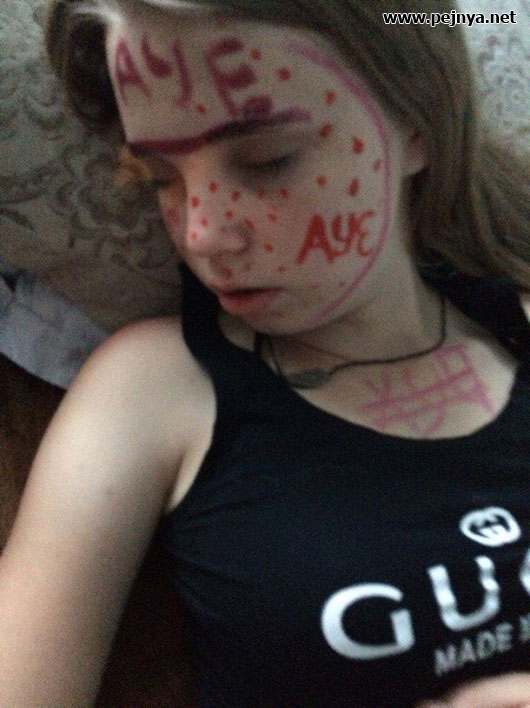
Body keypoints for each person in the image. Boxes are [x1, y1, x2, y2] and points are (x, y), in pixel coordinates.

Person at [1, 0, 530, 705]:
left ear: (417, 125)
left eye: (266, 160)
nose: (202, 235)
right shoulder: (152, 393)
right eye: (161, 179)